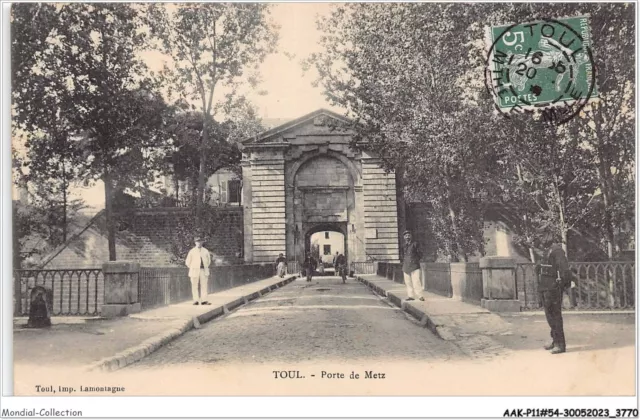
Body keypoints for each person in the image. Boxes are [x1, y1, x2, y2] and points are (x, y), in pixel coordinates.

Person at [537, 243, 572, 354]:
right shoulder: (547, 250)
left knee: (555, 316)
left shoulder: (557, 251)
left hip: (553, 287)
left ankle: (560, 344)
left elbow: (565, 270)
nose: (540, 239)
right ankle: (555, 340)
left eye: (543, 236)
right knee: (549, 316)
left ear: (549, 236)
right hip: (545, 286)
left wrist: (563, 286)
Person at [185, 237, 211, 305]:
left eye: (200, 241)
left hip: (203, 270)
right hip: (194, 270)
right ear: (195, 242)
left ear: (202, 242)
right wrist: (193, 267)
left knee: (204, 285)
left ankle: (204, 300)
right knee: (194, 285)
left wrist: (205, 266)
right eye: (197, 241)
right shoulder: (192, 251)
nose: (199, 243)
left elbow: (208, 261)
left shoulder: (205, 251)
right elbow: (187, 262)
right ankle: (195, 300)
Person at [402, 230, 424, 302]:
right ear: (404, 237)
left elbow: (420, 254)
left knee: (416, 281)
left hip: (414, 266)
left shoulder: (415, 244)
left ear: (411, 236)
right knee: (408, 282)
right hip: (406, 266)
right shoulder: (403, 246)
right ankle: (410, 296)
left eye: (408, 235)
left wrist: (415, 260)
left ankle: (420, 296)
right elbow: (402, 255)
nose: (407, 237)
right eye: (406, 236)